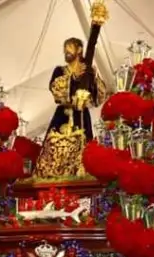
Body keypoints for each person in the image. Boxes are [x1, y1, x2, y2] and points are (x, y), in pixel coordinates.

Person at [33, 1, 107, 179]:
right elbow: (55, 89)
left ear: (79, 49)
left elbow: (99, 97)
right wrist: (73, 78)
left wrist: (93, 80)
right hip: (62, 116)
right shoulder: (60, 70)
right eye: (65, 49)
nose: (66, 51)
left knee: (84, 154)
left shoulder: (88, 70)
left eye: (70, 48)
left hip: (82, 116)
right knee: (53, 153)